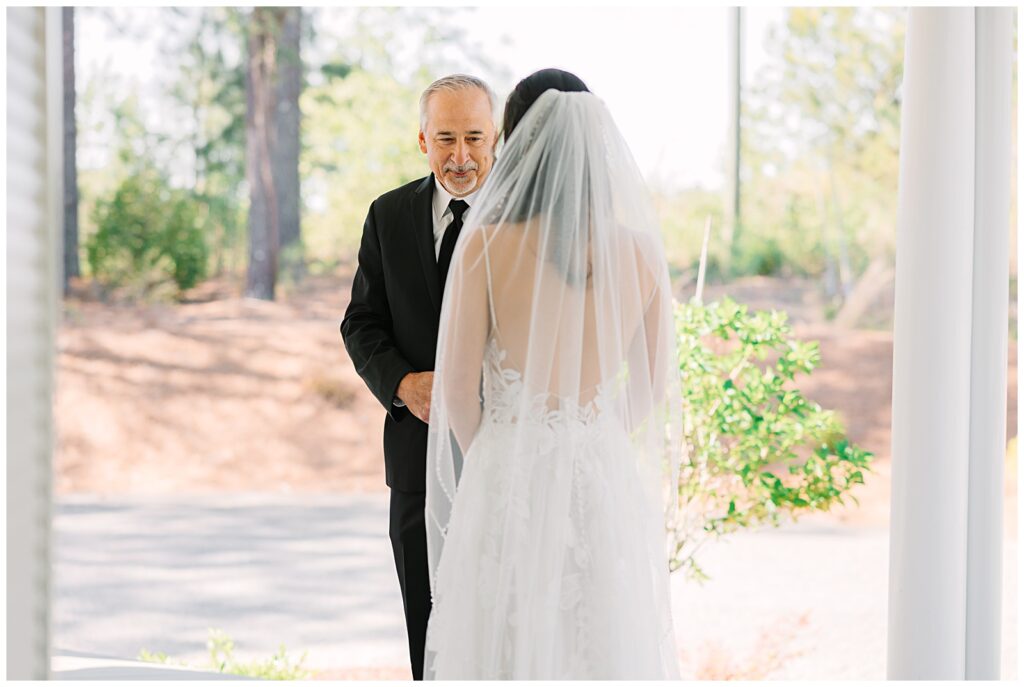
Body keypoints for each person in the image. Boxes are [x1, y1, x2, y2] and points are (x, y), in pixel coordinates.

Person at [423, 68, 685, 679]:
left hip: (507, 476)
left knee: (504, 646)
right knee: (597, 643)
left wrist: (498, 451)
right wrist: (587, 434)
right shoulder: (641, 251)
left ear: (516, 143)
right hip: (599, 477)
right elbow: (650, 386)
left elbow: (458, 391)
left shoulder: (485, 246)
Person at [340, 74, 499, 681]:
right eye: (446, 139)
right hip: (415, 452)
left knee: (497, 613)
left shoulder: (522, 219)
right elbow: (361, 321)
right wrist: (403, 385)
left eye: (474, 139)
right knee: (424, 618)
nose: (460, 157)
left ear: (496, 140)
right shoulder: (387, 215)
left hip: (501, 451)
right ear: (422, 141)